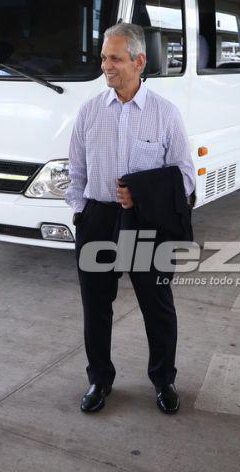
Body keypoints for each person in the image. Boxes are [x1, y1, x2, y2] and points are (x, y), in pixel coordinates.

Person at [65, 23, 196, 415]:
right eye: (104, 58)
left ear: (139, 62)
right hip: (97, 219)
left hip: (146, 223)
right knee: (96, 306)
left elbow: (185, 177)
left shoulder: (165, 114)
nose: (107, 66)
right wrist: (81, 212)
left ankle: (164, 380)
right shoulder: (90, 111)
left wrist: (140, 193)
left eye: (116, 59)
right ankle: (99, 379)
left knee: (157, 305)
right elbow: (75, 172)